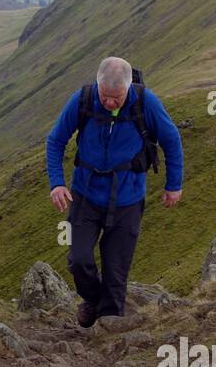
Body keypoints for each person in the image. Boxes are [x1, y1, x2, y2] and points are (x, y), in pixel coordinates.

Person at [45, 57, 184, 326]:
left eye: (116, 98)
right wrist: (57, 183)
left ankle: (108, 329)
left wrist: (174, 184)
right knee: (78, 260)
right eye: (105, 96)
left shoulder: (146, 103)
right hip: (85, 195)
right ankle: (94, 300)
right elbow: (56, 140)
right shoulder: (82, 99)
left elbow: (171, 139)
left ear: (128, 87)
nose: (109, 103)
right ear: (97, 85)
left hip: (128, 199)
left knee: (116, 271)